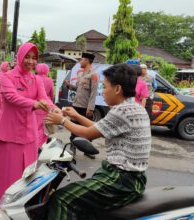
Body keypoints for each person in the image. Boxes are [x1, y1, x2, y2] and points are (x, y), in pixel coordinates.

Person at [46, 64, 151, 220]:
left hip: (121, 179)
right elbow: (99, 129)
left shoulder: (122, 111)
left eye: (105, 86)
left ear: (117, 89)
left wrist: (61, 121)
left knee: (62, 199)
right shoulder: (133, 107)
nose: (102, 91)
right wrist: (76, 116)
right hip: (125, 176)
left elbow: (89, 135)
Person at [0, 42, 58, 209]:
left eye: (34, 58)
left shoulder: (36, 79)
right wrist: (34, 104)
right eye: (27, 57)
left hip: (30, 136)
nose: (30, 61)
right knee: (8, 179)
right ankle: (3, 212)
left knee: (27, 178)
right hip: (10, 136)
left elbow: (44, 98)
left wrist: (57, 110)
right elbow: (11, 97)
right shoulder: (6, 76)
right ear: (19, 58)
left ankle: (21, 212)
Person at [64, 52, 99, 159]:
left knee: (86, 129)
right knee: (74, 126)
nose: (80, 61)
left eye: (82, 59)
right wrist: (69, 86)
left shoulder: (94, 75)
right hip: (76, 104)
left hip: (85, 106)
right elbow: (78, 88)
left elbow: (94, 92)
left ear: (87, 61)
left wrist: (90, 108)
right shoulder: (80, 73)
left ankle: (87, 150)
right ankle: (73, 147)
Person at [35, 63, 54, 147]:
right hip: (47, 105)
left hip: (36, 104)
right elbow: (52, 94)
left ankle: (34, 144)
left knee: (35, 126)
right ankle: (41, 145)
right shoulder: (49, 80)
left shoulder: (34, 78)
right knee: (44, 127)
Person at [0, 61, 11, 129]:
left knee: (6, 112)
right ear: (3, 67)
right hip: (0, 96)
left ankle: (4, 125)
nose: (9, 67)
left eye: (9, 66)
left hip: (8, 97)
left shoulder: (10, 74)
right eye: (7, 66)